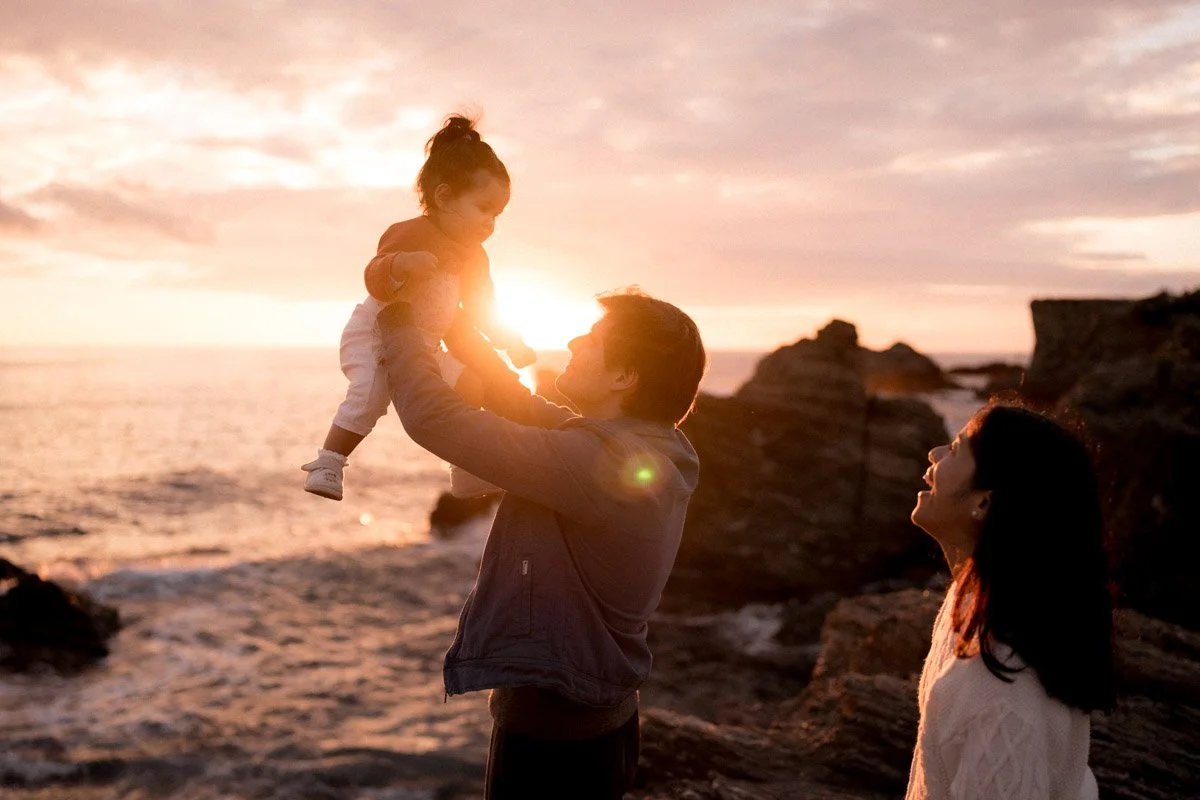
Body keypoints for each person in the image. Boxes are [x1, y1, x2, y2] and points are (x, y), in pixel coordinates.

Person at [369, 285, 706, 799]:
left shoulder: (600, 464)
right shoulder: (639, 447)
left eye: (593, 337)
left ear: (623, 376)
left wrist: (398, 326)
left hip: (557, 743)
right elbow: (517, 402)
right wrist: (463, 332)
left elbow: (437, 421)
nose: (573, 341)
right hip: (596, 724)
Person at [302, 114, 535, 501]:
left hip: (425, 346)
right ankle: (329, 461)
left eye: (497, 214)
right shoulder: (409, 233)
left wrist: (509, 341)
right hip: (376, 335)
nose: (490, 222)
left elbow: (481, 307)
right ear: (444, 198)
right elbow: (374, 276)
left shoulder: (476, 257)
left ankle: (464, 469)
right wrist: (402, 264)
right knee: (370, 396)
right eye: (483, 208)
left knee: (469, 387)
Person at [906, 402, 1116, 799]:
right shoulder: (975, 602)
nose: (934, 455)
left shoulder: (1001, 691)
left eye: (955, 448)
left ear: (984, 503)